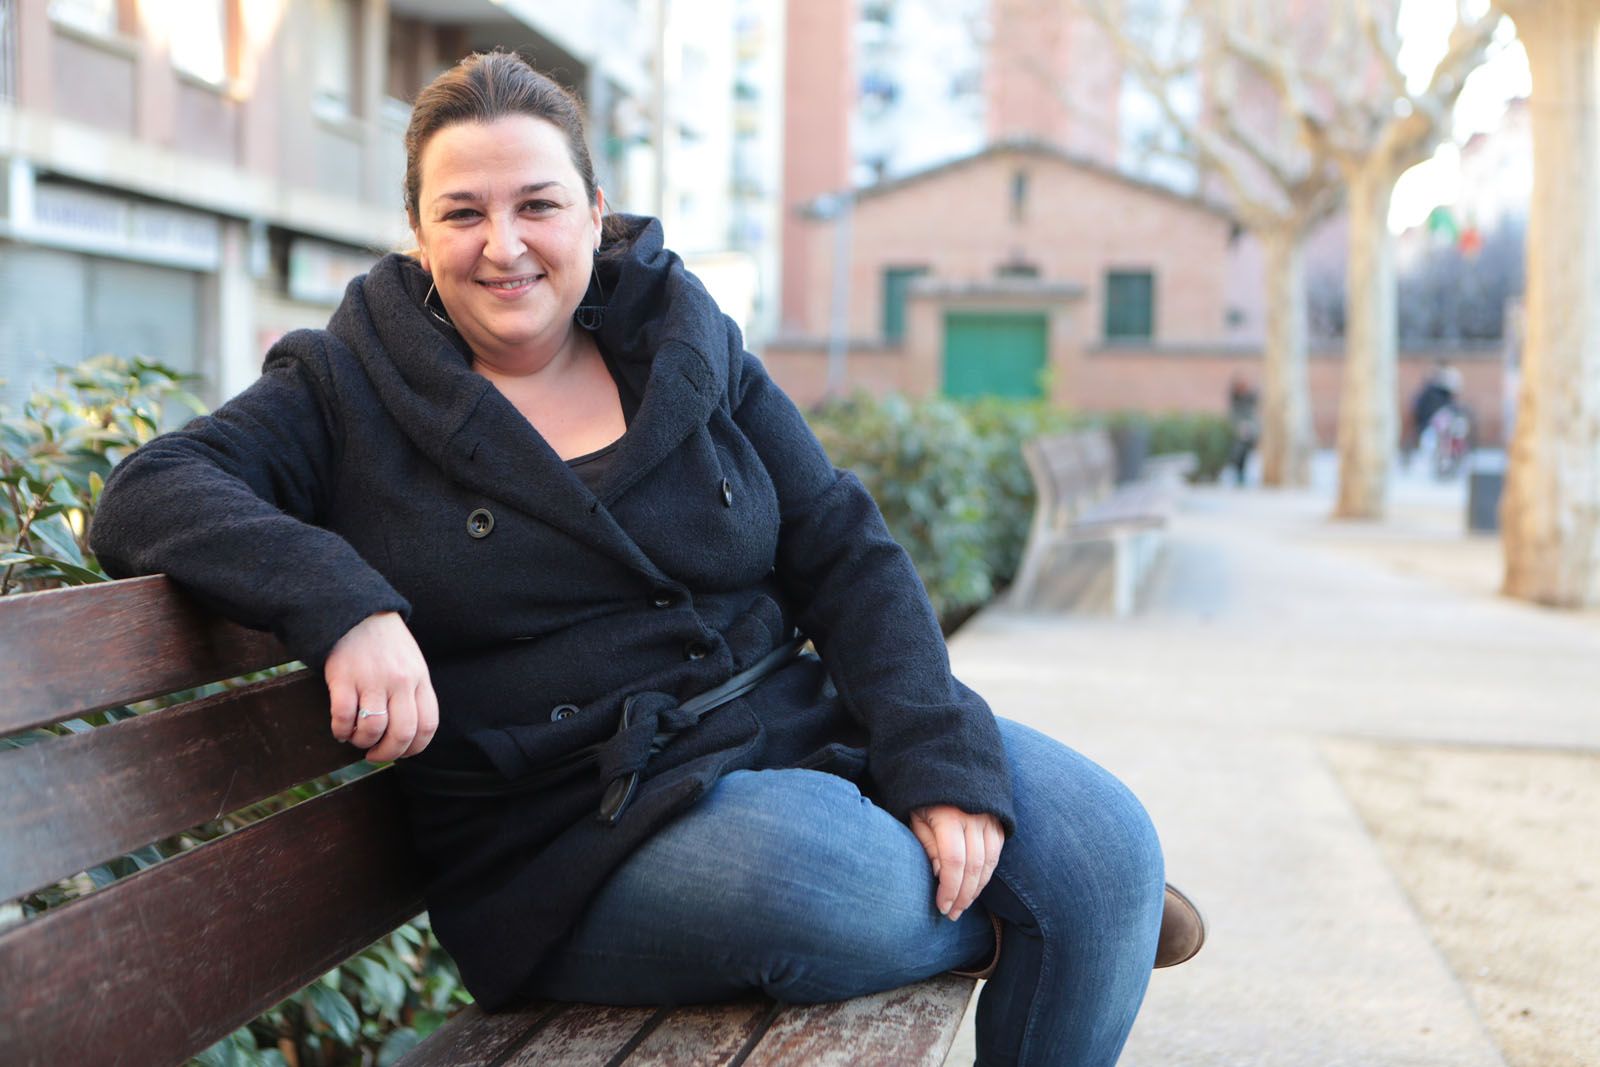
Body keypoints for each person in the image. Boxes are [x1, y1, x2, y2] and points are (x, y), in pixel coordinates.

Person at [89, 52, 1198, 1065]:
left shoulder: (685, 342)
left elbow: (840, 543)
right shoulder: (345, 387)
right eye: (461, 212)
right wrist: (343, 601)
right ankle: (1060, 910)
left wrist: (931, 749)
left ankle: (1080, 896)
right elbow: (150, 490)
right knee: (858, 886)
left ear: (595, 211)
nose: (503, 244)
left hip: (790, 728)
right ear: (419, 236)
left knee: (1106, 842)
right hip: (579, 836)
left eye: (538, 204)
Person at [1226, 375, 1259, 485]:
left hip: (1249, 431)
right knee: (1238, 452)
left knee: (1246, 453)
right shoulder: (1235, 400)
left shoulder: (1249, 398)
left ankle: (1242, 475)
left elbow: (1256, 397)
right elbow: (1233, 416)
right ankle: (1238, 474)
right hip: (1238, 432)